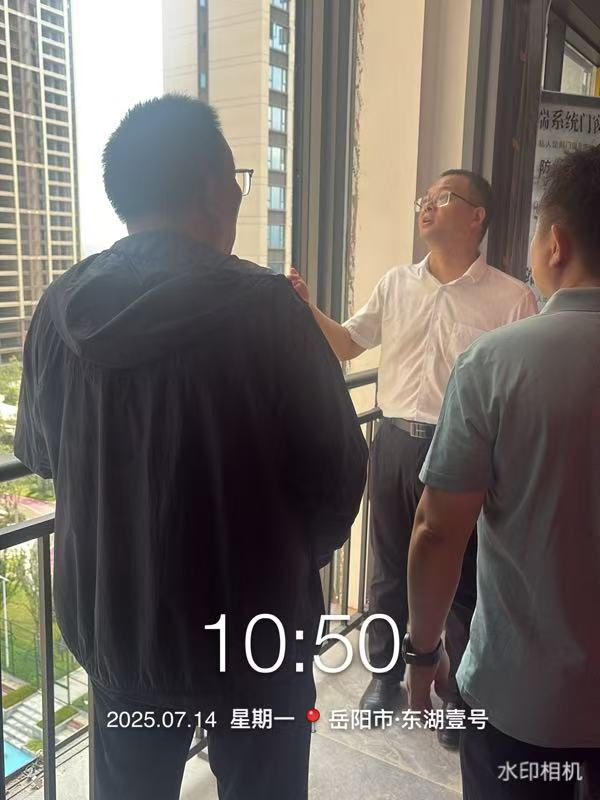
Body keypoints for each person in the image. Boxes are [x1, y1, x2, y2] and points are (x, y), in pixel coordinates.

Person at [14, 95, 368, 800]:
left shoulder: (59, 308)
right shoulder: (270, 309)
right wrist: (291, 558)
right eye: (236, 179)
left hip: (122, 627)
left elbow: (45, 456)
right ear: (212, 187)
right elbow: (336, 476)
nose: (237, 194)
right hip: (256, 630)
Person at [289, 169, 538, 748]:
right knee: (388, 567)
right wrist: (306, 307)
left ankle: (458, 693)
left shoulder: (512, 299)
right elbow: (348, 343)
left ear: (476, 216)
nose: (426, 206)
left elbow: (522, 389)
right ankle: (385, 676)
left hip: (465, 451)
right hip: (395, 442)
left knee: (463, 578)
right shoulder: (397, 283)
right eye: (423, 199)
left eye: (441, 198)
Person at [405, 146, 600, 798]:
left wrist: (424, 654)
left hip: (520, 704)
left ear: (556, 245)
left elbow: (437, 531)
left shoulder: (495, 362)